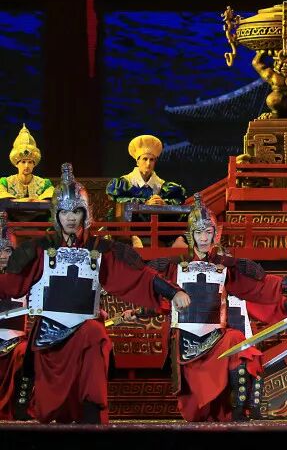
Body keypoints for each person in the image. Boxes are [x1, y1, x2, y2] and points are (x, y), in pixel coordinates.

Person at [0, 163, 190, 424]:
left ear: (85, 212)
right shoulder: (39, 249)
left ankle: (93, 414)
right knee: (48, 409)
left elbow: (139, 275)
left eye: (76, 211)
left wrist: (172, 291)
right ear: (57, 213)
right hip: (49, 336)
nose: (71, 218)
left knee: (96, 334)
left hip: (85, 331)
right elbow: (11, 284)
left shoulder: (101, 249)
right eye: (65, 211)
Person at [143, 194, 287, 422]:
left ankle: (241, 413)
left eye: (208, 232)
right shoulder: (173, 266)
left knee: (238, 341)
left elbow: (262, 285)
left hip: (218, 340)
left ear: (215, 233)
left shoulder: (226, 267)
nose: (203, 238)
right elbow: (148, 285)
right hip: (187, 345)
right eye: (198, 232)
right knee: (196, 413)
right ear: (191, 234)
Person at [106, 134, 187, 212]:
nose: (148, 163)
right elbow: (117, 202)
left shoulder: (162, 185)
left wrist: (164, 203)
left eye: (152, 160)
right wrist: (145, 203)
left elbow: (179, 200)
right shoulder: (124, 183)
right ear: (137, 161)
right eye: (145, 159)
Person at [0, 213, 29, 420]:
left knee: (27, 353)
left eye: (7, 250)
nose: (2, 255)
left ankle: (21, 407)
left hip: (15, 342)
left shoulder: (25, 280)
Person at [0, 125, 54, 202]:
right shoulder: (5, 182)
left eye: (30, 162)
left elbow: (52, 200)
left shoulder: (44, 183)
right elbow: (2, 198)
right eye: (23, 162)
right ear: (16, 164)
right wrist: (25, 201)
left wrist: (35, 201)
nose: (26, 166)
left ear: (34, 164)